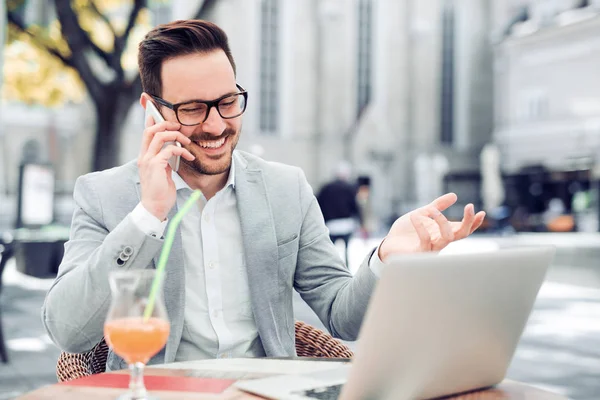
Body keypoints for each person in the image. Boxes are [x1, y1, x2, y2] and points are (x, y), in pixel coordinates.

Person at [41, 20, 485, 371]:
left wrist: (388, 255)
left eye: (227, 101)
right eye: (192, 109)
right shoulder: (103, 194)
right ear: (152, 111)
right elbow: (67, 331)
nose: (216, 126)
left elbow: (342, 316)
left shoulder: (285, 188)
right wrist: (148, 216)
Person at [317, 162, 360, 265]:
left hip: (331, 224)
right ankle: (346, 267)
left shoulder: (326, 188)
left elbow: (318, 204)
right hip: (346, 223)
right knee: (346, 250)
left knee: (332, 251)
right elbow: (355, 206)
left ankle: (333, 267)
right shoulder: (350, 188)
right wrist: (359, 220)